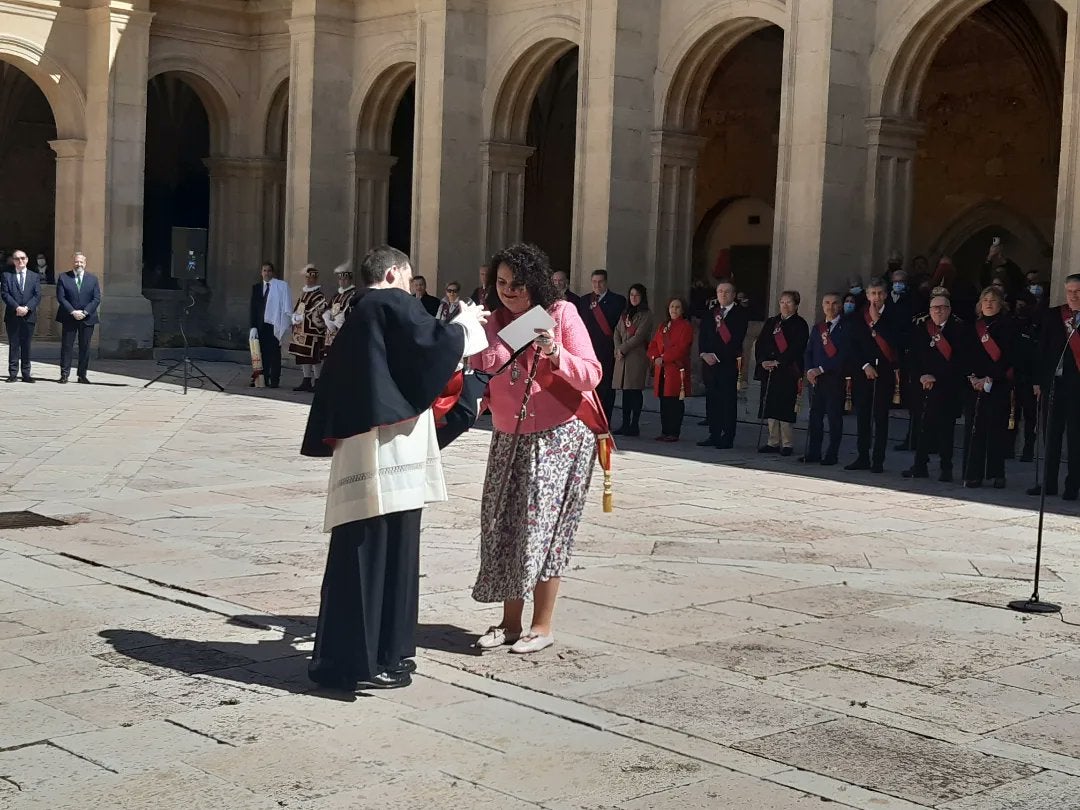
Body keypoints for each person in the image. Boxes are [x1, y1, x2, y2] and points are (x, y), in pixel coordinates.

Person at [301, 245, 488, 690]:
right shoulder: (389, 302)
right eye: (408, 278)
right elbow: (433, 350)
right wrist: (464, 325)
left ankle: (341, 659)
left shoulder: (358, 311)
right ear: (393, 274)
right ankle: (383, 658)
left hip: (360, 449)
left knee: (356, 554)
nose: (410, 288)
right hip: (391, 452)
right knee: (392, 551)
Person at [472, 243, 604, 655]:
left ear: (537, 282)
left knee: (543, 527)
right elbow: (486, 363)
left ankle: (542, 625)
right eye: (502, 282)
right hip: (508, 435)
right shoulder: (492, 320)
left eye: (518, 283)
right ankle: (509, 623)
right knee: (503, 523)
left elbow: (591, 374)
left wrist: (555, 351)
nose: (509, 290)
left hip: (558, 436)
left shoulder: (562, 313)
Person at [1028, 274, 1080, 501]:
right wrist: (1039, 381)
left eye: (1078, 291)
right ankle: (1048, 483)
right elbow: (1042, 350)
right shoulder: (1054, 316)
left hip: (1078, 386)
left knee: (1076, 438)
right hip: (1054, 385)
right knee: (1051, 436)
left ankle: (1073, 486)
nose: (1073, 295)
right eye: (1070, 291)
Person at [902, 294, 964, 482]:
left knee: (946, 431)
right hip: (923, 388)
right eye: (935, 307)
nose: (938, 310)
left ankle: (946, 468)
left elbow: (960, 361)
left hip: (947, 388)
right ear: (929, 311)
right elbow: (912, 357)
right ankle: (920, 465)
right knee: (922, 429)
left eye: (942, 307)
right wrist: (922, 375)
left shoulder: (959, 330)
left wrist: (937, 377)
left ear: (949, 310)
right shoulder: (921, 329)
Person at [962, 286, 1018, 489]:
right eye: (985, 299)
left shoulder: (1008, 326)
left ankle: (996, 473)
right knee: (974, 430)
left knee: (996, 430)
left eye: (993, 300)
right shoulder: (973, 327)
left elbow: (1010, 356)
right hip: (974, 385)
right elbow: (964, 354)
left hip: (997, 384)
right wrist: (972, 377)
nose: (988, 303)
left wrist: (990, 377)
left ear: (1000, 304)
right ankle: (972, 473)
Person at [846, 279, 904, 473]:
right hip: (864, 373)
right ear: (867, 295)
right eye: (873, 294)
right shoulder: (858, 316)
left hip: (885, 373)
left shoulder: (895, 314)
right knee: (862, 415)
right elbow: (852, 345)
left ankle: (878, 460)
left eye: (880, 293)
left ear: (885, 295)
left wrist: (878, 322)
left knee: (881, 417)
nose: (876, 297)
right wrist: (864, 365)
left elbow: (897, 341)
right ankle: (862, 456)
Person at [755, 291, 809, 456]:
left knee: (785, 406)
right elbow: (761, 343)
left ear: (796, 305)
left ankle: (787, 443)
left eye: (789, 302)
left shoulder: (800, 324)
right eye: (782, 302)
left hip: (788, 370)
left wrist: (780, 361)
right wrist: (763, 361)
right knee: (770, 405)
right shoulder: (772, 322)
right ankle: (772, 441)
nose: (785, 306)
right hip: (770, 370)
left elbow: (797, 347)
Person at [698, 281, 749, 449]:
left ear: (734, 295)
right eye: (720, 291)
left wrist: (718, 356)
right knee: (712, 400)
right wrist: (704, 354)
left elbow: (736, 340)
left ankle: (727, 436)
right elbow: (703, 336)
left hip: (727, 363)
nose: (723, 294)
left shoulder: (740, 314)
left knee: (727, 401)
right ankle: (714, 433)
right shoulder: (711, 313)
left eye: (727, 292)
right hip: (710, 364)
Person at [803, 292, 848, 465]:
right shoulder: (818, 328)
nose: (830, 306)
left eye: (835, 303)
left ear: (840, 306)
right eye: (827, 303)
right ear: (822, 306)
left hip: (834, 379)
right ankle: (814, 452)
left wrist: (821, 369)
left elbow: (843, 355)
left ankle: (832, 454)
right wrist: (809, 371)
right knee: (815, 417)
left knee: (834, 418)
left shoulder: (846, 327)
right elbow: (809, 352)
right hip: (816, 380)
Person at [578, 268, 626, 422]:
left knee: (606, 387)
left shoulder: (618, 300)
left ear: (606, 282)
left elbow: (618, 327)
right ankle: (590, 419)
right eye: (594, 282)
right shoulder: (584, 301)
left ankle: (605, 420)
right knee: (589, 386)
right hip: (587, 350)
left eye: (600, 282)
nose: (597, 285)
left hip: (607, 350)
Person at [647, 297, 693, 441]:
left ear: (683, 310)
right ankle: (665, 430)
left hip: (675, 369)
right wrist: (655, 357)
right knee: (664, 401)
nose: (674, 310)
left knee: (674, 402)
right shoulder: (663, 326)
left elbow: (681, 348)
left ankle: (674, 432)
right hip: (662, 369)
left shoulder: (686, 326)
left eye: (677, 307)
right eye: (672, 307)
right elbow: (654, 344)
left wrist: (664, 358)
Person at [55, 252, 102, 384]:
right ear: (73, 263)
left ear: (85, 263)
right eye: (76, 262)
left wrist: (85, 312)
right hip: (69, 317)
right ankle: (64, 374)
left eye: (81, 262)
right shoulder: (64, 277)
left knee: (85, 347)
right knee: (67, 346)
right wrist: (72, 311)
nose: (79, 264)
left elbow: (96, 298)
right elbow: (61, 297)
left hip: (87, 318)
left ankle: (82, 375)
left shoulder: (92, 279)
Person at [612, 284, 653, 436]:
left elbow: (639, 336)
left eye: (637, 295)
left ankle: (634, 424)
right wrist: (617, 348)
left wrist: (622, 348)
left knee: (635, 391)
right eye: (631, 295)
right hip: (622, 358)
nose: (633, 298)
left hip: (636, 357)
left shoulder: (646, 314)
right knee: (625, 393)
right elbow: (616, 331)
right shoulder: (625, 313)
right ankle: (624, 423)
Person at [249, 262, 292, 389]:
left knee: (274, 353)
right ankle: (263, 378)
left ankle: (274, 380)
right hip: (261, 325)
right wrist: (253, 326)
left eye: (268, 271)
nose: (266, 273)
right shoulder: (256, 288)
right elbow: (253, 308)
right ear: (261, 272)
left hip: (274, 324)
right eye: (264, 270)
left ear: (272, 272)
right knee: (262, 353)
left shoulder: (279, 287)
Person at [2, 249, 40, 383]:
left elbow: (37, 295)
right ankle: (13, 373)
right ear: (13, 261)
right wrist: (17, 307)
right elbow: (5, 294)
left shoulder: (34, 276)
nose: (20, 261)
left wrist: (27, 308)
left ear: (27, 260)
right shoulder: (7, 275)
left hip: (29, 316)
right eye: (17, 259)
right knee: (14, 344)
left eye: (23, 258)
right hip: (12, 315)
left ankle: (26, 373)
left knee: (26, 345)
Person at [289, 264, 328, 392]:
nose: (309, 280)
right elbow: (299, 307)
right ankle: (306, 380)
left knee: (315, 358)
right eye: (307, 278)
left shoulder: (319, 296)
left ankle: (317, 381)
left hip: (313, 333)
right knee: (303, 356)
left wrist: (304, 318)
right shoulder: (304, 293)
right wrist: (294, 316)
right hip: (302, 332)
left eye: (311, 278)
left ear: (315, 279)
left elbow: (319, 314)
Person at [323, 263, 360, 355]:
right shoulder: (337, 294)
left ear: (350, 280)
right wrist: (327, 319)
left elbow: (355, 311)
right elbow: (329, 308)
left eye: (345, 279)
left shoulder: (354, 294)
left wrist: (341, 320)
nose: (342, 281)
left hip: (344, 331)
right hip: (331, 332)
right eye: (340, 279)